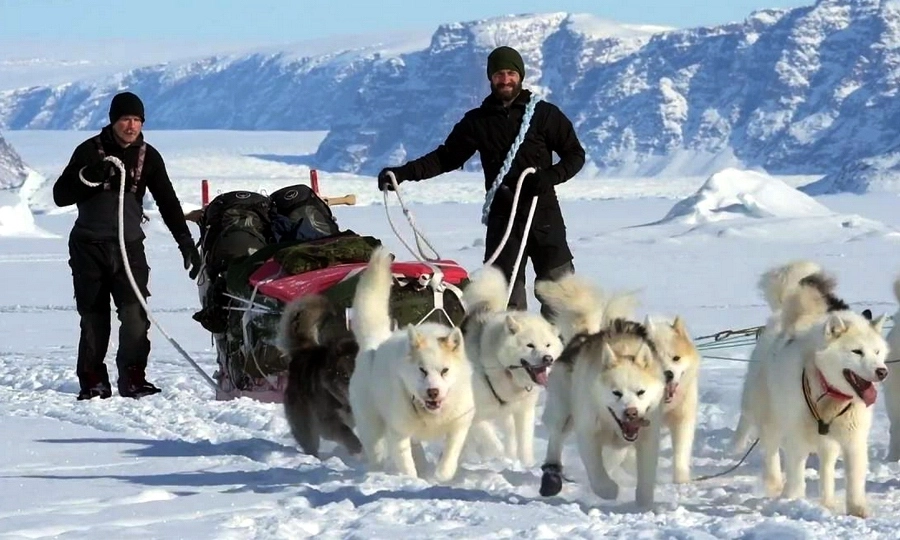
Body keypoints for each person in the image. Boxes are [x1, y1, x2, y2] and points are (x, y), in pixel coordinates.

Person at [377, 45, 585, 315]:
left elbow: (575, 155)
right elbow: (445, 157)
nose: (506, 79)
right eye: (499, 74)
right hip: (503, 220)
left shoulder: (545, 115)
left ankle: (559, 352)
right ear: (490, 78)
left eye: (511, 73)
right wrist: (403, 173)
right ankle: (512, 356)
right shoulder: (477, 122)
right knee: (502, 300)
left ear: (520, 75)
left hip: (543, 216)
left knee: (562, 295)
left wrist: (549, 177)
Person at [53, 91, 201, 400]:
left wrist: (186, 243)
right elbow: (60, 195)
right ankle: (93, 380)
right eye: (125, 119)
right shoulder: (89, 151)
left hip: (128, 248)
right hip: (89, 247)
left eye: (136, 120)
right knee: (94, 317)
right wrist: (88, 177)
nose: (131, 126)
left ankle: (133, 377)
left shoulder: (149, 156)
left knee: (135, 315)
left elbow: (168, 203)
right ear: (113, 120)